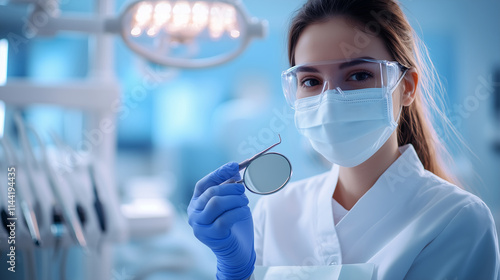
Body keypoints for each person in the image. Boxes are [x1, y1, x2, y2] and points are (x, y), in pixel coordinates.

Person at [187, 0, 500, 279]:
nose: (330, 100)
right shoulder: (276, 212)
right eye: (310, 80)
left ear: (406, 87)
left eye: (359, 75)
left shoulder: (457, 220)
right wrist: (236, 272)